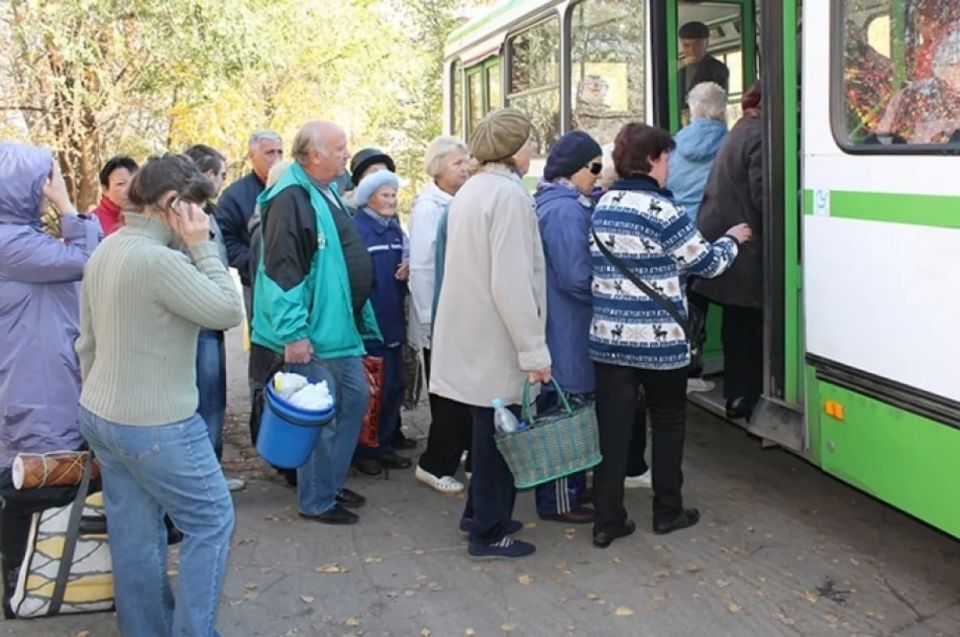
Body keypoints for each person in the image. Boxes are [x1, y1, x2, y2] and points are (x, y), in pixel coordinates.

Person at [76, 155, 243, 635]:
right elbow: (227, 310)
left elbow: (86, 344)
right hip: (157, 423)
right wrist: (202, 248)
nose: (203, 219)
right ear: (173, 205)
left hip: (103, 413)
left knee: (135, 534)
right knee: (210, 520)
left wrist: (101, 402)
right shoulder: (160, 260)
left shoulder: (108, 249)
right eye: (197, 209)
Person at [590, 123, 751, 548]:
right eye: (666, 158)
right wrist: (733, 239)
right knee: (667, 424)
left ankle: (608, 521)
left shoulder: (603, 204)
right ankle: (667, 511)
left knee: (613, 431)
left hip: (610, 341)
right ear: (652, 160)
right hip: (661, 346)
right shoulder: (665, 211)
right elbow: (708, 263)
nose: (668, 167)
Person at [431, 108, 551, 560]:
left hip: (472, 334)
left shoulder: (473, 189)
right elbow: (513, 281)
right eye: (528, 143)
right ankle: (489, 531)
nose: (532, 151)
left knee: (486, 431)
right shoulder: (510, 196)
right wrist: (534, 351)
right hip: (497, 338)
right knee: (501, 439)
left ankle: (477, 514)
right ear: (514, 149)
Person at [249, 120, 379, 525]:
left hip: (338, 329)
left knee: (354, 402)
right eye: (340, 148)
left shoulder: (324, 191)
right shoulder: (290, 197)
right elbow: (283, 272)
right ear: (314, 155)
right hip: (314, 333)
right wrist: (294, 333)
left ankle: (330, 483)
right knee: (323, 415)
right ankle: (317, 499)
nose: (347, 154)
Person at [0, 143, 102, 616]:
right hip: (35, 381)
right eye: (44, 180)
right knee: (37, 480)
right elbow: (94, 261)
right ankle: (25, 586)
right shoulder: (12, 243)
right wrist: (67, 207)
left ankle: (28, 581)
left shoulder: (17, 237)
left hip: (35, 371)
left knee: (29, 476)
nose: (49, 189)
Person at [533, 131, 603, 525]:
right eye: (594, 168)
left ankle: (571, 487)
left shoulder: (561, 203)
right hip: (567, 328)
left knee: (570, 410)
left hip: (563, 325)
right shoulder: (564, 211)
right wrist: (609, 294)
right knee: (565, 415)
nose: (597, 175)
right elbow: (575, 276)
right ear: (576, 170)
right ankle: (559, 499)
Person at [694, 81, 765, 421]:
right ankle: (746, 397)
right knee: (749, 327)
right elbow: (764, 197)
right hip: (744, 244)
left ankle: (738, 394)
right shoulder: (761, 136)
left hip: (724, 237)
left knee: (737, 326)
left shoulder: (740, 129)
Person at [409, 136, 474, 494]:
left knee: (462, 394)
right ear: (437, 169)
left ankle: (456, 451)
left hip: (458, 315)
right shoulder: (429, 208)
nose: (465, 168)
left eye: (466, 161)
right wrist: (431, 322)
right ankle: (434, 464)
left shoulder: (458, 200)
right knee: (448, 398)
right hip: (438, 317)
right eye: (456, 163)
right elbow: (421, 268)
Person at [184, 144, 246, 492]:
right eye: (222, 174)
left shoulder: (206, 212)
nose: (223, 181)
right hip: (203, 321)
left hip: (209, 321)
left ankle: (209, 472)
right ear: (206, 175)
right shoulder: (192, 218)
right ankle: (205, 479)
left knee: (211, 401)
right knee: (206, 403)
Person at [667, 81, 730, 395]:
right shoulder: (729, 143)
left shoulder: (675, 144)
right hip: (713, 233)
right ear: (722, 110)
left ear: (692, 110)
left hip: (679, 233)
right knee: (706, 299)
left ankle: (686, 368)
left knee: (686, 301)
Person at [350, 170, 412, 475]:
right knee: (372, 392)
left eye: (393, 195)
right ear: (368, 198)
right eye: (385, 195)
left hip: (393, 322)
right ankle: (364, 452)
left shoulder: (394, 231)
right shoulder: (358, 230)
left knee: (393, 388)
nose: (391, 200)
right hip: (371, 325)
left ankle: (384, 445)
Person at [216, 130, 283, 318]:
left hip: (293, 283)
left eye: (280, 152)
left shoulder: (293, 188)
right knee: (263, 343)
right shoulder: (235, 196)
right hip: (255, 284)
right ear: (252, 156)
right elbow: (224, 240)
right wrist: (255, 261)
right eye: (270, 153)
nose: (276, 158)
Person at [678, 21, 730, 106]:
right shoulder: (677, 68)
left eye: (697, 45)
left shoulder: (718, 69)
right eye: (687, 46)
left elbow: (719, 103)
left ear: (707, 43)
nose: (692, 51)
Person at [91, 155, 138, 236]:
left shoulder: (147, 218)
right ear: (105, 189)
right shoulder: (90, 224)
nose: (130, 190)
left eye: (134, 183)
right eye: (121, 184)